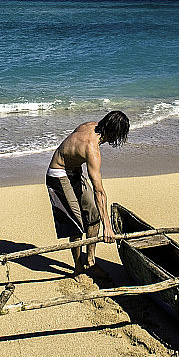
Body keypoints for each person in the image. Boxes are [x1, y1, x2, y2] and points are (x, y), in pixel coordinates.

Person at [45, 110, 130, 274]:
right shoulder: (93, 149)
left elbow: (72, 147)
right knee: (76, 224)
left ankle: (90, 261)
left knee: (93, 214)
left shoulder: (92, 126)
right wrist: (108, 227)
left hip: (73, 171)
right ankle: (78, 268)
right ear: (113, 134)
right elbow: (99, 191)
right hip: (58, 174)